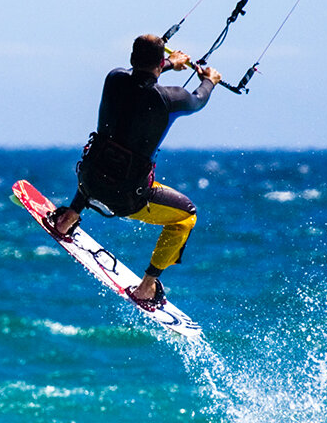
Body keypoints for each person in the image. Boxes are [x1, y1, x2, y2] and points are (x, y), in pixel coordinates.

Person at [51, 34, 221, 308]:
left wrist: (167, 63)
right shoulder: (171, 98)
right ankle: (147, 285)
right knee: (186, 216)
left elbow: (137, 78)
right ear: (159, 62)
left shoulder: (113, 79)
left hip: (87, 180)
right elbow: (198, 99)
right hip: (127, 198)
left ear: (132, 59)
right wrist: (209, 80)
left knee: (108, 147)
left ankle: (69, 217)